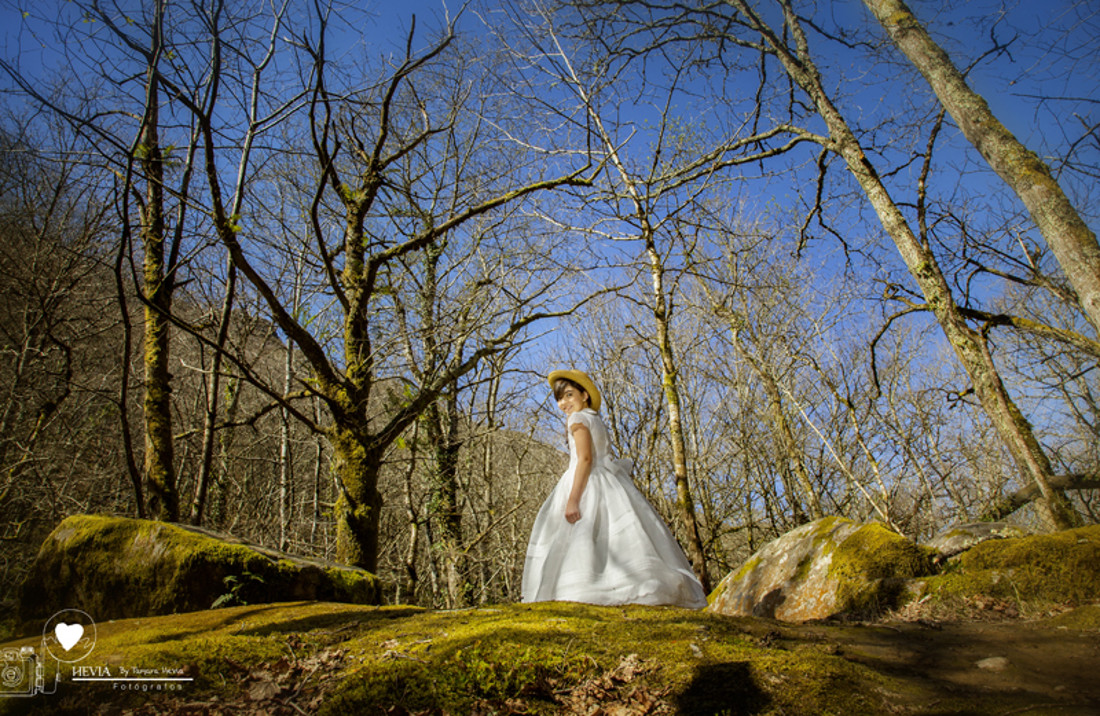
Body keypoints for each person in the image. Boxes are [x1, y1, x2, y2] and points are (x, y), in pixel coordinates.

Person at [521, 369, 707, 608]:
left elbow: (585, 460)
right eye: (559, 398)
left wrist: (573, 499)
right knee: (615, 539)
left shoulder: (577, 420)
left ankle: (584, 591)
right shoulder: (594, 418)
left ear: (584, 395)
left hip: (587, 481)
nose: (564, 403)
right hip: (608, 482)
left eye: (569, 395)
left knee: (583, 537)